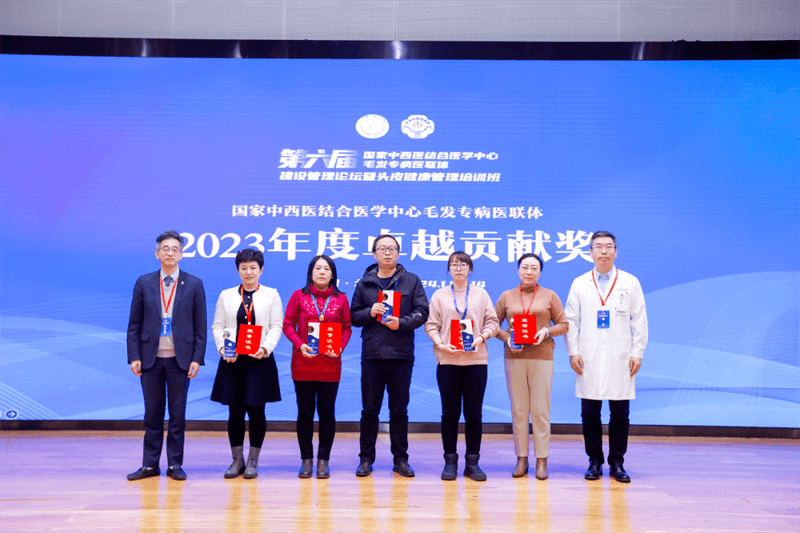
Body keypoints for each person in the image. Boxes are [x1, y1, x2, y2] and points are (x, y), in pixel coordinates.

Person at [564, 231, 648, 483]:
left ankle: (617, 461)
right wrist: (573, 351)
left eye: (608, 246)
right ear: (590, 252)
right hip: (588, 356)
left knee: (620, 413)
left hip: (620, 355)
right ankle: (594, 461)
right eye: (598, 247)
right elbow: (571, 320)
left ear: (616, 252)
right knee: (590, 413)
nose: (603, 251)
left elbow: (639, 319)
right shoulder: (580, 283)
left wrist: (637, 352)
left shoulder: (630, 282)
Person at [126, 230, 207, 481]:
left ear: (181, 254)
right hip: (149, 359)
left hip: (180, 359)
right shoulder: (144, 282)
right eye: (165, 249)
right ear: (157, 253)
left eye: (175, 249)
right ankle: (150, 465)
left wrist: (197, 358)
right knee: (152, 414)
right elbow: (134, 323)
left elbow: (200, 325)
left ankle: (174, 464)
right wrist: (134, 355)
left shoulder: (194, 283)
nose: (170, 253)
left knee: (177, 415)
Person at [350, 234, 429, 477]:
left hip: (401, 355)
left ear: (398, 253)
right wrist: (369, 312)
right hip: (372, 355)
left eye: (392, 248)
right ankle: (366, 459)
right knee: (369, 410)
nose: (387, 252)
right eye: (382, 248)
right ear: (374, 254)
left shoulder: (411, 280)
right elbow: (353, 317)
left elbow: (422, 311)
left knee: (399, 411)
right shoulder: (364, 284)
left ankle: (401, 460)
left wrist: (401, 322)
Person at [424, 252, 499, 481]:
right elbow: (431, 325)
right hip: (448, 360)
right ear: (448, 269)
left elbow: (493, 322)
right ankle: (450, 462)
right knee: (449, 413)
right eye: (454, 264)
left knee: (474, 414)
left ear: (470, 269)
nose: (458, 268)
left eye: (463, 264)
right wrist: (440, 344)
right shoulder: (439, 295)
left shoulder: (481, 294)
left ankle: (473, 463)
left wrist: (482, 337)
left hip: (476, 360)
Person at [494, 253, 568, 480]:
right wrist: (507, 338)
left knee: (540, 410)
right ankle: (521, 458)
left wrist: (546, 331)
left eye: (534, 268)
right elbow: (493, 324)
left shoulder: (550, 295)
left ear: (540, 272)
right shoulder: (507, 296)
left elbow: (564, 324)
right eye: (525, 267)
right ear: (518, 270)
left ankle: (542, 459)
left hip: (542, 357)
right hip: (514, 357)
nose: (529, 272)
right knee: (519, 410)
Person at [211, 248, 283, 479]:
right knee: (235, 412)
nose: (248, 272)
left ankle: (253, 461)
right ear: (238, 270)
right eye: (244, 268)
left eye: (253, 268)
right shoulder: (226, 295)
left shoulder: (271, 294)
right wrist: (223, 348)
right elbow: (217, 325)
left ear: (261, 270)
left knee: (257, 412)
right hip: (233, 361)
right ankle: (237, 460)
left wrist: (266, 348)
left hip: (259, 361)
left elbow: (276, 326)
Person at [283, 255, 352, 479]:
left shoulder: (341, 299)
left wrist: (340, 347)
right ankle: (306, 460)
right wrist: (300, 344)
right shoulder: (298, 296)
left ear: (333, 274)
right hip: (303, 363)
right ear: (310, 273)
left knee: (327, 414)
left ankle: (323, 461)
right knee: (304, 414)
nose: (322, 272)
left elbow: (347, 328)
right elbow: (287, 325)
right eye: (317, 268)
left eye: (326, 269)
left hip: (330, 365)